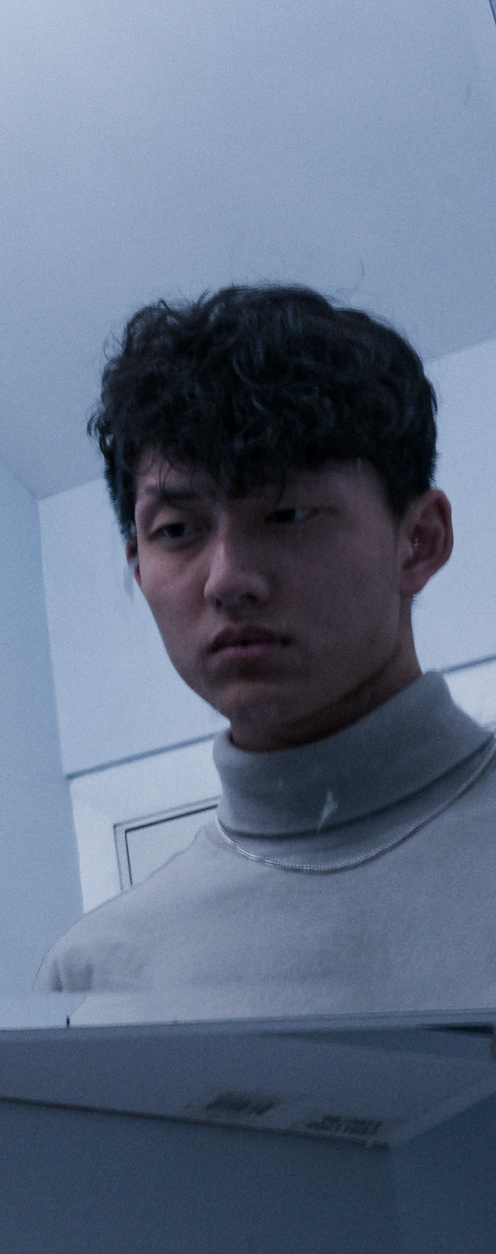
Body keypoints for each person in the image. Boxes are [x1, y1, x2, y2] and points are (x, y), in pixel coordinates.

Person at [36, 284, 492, 1021]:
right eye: (178, 530)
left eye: (288, 512)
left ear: (421, 539)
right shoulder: (96, 977)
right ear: (137, 564)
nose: (228, 580)